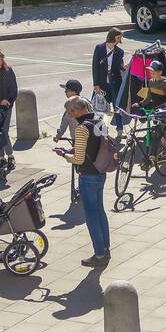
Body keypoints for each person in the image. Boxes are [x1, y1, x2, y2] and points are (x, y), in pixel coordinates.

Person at [56, 96, 111, 267]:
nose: (71, 116)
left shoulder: (81, 128)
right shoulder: (99, 121)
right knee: (100, 211)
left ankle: (99, 254)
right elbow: (97, 145)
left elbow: (79, 159)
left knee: (91, 216)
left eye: (70, 113)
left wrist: (64, 154)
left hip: (88, 175)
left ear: (76, 111)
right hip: (101, 171)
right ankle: (106, 248)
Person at [92, 28, 125, 113]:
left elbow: (120, 66)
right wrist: (96, 84)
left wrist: (125, 67)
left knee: (117, 106)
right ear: (112, 37)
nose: (119, 40)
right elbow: (95, 67)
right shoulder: (99, 48)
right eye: (118, 38)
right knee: (99, 107)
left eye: (120, 38)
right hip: (102, 82)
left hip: (115, 82)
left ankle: (119, 125)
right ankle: (99, 125)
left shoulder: (119, 51)